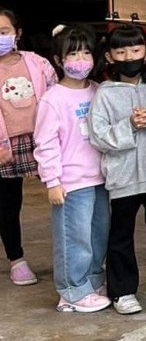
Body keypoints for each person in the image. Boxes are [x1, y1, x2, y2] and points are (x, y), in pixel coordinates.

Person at [90, 23, 146, 315]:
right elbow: (98, 135)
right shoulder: (104, 93)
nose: (129, 55)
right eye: (121, 50)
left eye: (135, 49)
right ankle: (123, 291)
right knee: (121, 233)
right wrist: (128, 125)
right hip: (124, 176)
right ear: (110, 56)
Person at [34, 24, 109, 313]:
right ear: (58, 60)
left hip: (99, 178)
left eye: (86, 52)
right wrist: (52, 181)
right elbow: (45, 142)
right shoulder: (53, 99)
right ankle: (72, 290)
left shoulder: (98, 91)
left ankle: (92, 281)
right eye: (73, 53)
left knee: (97, 234)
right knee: (73, 237)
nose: (81, 59)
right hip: (71, 182)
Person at [0, 7, 56, 287]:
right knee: (8, 204)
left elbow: (55, 96)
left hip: (40, 139)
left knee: (63, 192)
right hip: (4, 145)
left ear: (17, 34)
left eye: (3, 32)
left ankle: (78, 256)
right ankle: (16, 260)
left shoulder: (37, 63)